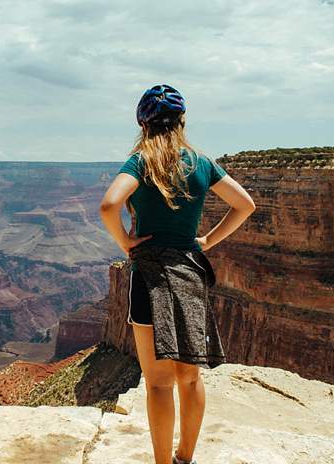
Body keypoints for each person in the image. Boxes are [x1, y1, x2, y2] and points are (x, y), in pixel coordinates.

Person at [99, 84, 255, 464]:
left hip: (148, 276)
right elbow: (245, 204)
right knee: (190, 377)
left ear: (143, 124)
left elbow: (109, 204)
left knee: (157, 383)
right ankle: (186, 457)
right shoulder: (202, 163)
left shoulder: (140, 162)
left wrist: (126, 242)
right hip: (189, 274)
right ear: (182, 121)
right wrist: (206, 240)